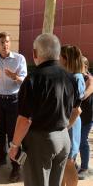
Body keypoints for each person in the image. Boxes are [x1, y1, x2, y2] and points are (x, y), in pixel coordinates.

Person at [9, 34, 81, 186]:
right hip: (63, 138)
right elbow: (77, 110)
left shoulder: (33, 79)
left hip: (40, 141)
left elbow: (25, 119)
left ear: (35, 53)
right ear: (57, 53)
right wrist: (62, 129)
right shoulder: (70, 77)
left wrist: (14, 145)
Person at [0, 31, 27, 182]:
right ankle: (1, 157)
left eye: (7, 41)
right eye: (2, 42)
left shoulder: (19, 59)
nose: (5, 45)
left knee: (14, 134)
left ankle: (16, 167)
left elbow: (25, 81)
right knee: (0, 131)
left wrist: (15, 77)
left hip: (14, 100)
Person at [60, 45, 85, 186]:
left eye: (60, 56)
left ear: (65, 59)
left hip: (71, 123)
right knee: (63, 162)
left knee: (70, 161)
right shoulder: (68, 76)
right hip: (65, 122)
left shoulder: (76, 78)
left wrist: (65, 127)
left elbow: (77, 110)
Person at [78, 56, 93, 180]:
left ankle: (84, 168)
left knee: (83, 141)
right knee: (75, 141)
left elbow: (84, 95)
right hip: (76, 117)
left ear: (85, 67)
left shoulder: (90, 79)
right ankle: (76, 164)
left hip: (87, 117)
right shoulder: (77, 77)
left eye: (79, 65)